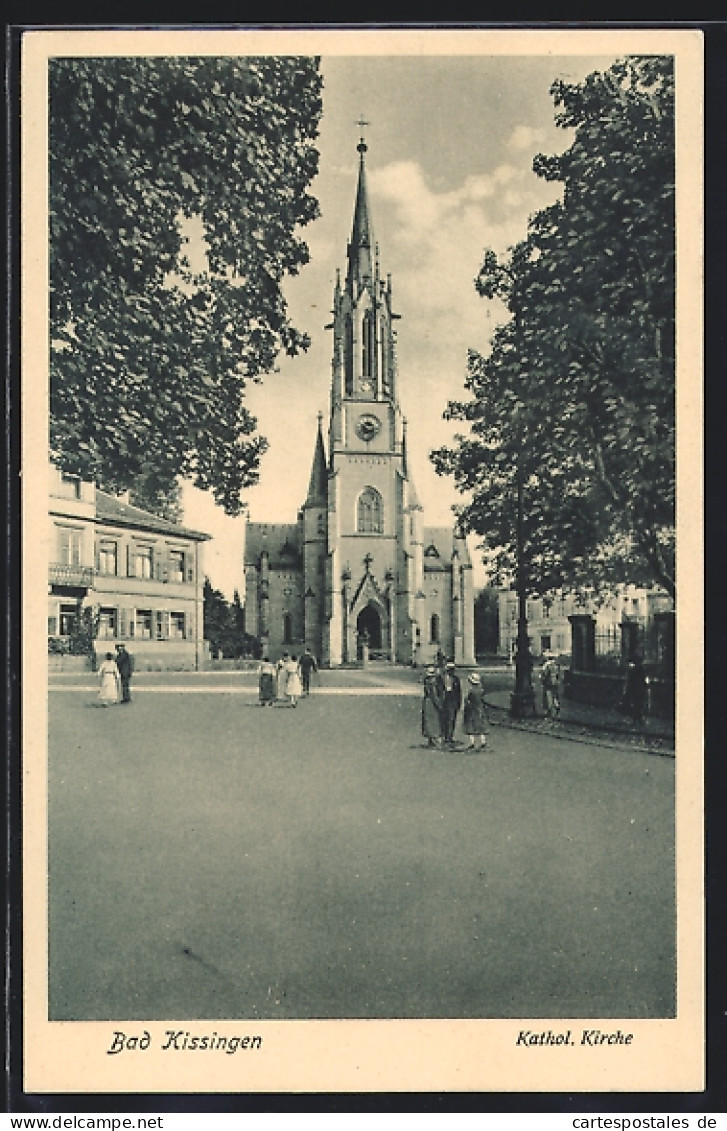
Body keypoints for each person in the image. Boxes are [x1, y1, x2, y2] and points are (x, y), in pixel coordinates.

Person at [463, 672, 488, 751]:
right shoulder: (481, 690)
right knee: (480, 726)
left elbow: (468, 700)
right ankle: (483, 741)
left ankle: (472, 742)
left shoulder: (472, 691)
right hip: (480, 709)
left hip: (472, 710)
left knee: (471, 726)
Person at [421, 665, 445, 748]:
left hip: (427, 702)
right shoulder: (433, 683)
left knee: (428, 721)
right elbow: (434, 695)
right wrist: (439, 705)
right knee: (434, 722)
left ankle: (430, 739)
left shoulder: (426, 681)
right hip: (431, 703)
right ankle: (436, 740)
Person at [622, 653, 647, 725]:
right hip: (640, 689)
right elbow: (644, 679)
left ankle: (636, 719)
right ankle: (639, 719)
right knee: (639, 704)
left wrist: (626, 689)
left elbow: (630, 680)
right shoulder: (641, 668)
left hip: (634, 689)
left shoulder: (632, 669)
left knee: (635, 704)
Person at [441, 660, 462, 746]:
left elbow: (459, 692)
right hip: (444, 700)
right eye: (450, 669)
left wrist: (459, 703)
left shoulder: (456, 679)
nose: (452, 671)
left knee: (452, 719)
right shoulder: (441, 678)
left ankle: (449, 737)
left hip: (453, 701)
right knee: (444, 719)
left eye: (453, 669)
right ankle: (445, 737)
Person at [540, 652, 561, 719]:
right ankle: (557, 706)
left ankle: (549, 710)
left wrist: (542, 680)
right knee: (555, 695)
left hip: (548, 682)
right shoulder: (556, 664)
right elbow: (558, 673)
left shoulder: (546, 665)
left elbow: (544, 674)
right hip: (555, 682)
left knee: (548, 696)